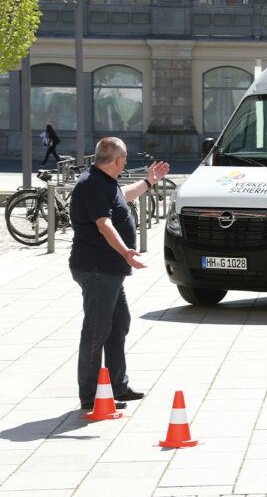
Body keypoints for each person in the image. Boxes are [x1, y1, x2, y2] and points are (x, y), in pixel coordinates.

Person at [69, 137, 170, 410]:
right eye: (125, 158)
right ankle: (91, 395)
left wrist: (149, 182)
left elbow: (122, 197)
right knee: (96, 330)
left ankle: (117, 386)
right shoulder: (91, 184)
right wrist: (126, 251)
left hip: (108, 269)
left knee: (118, 323)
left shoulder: (102, 180)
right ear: (120, 160)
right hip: (97, 268)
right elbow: (104, 224)